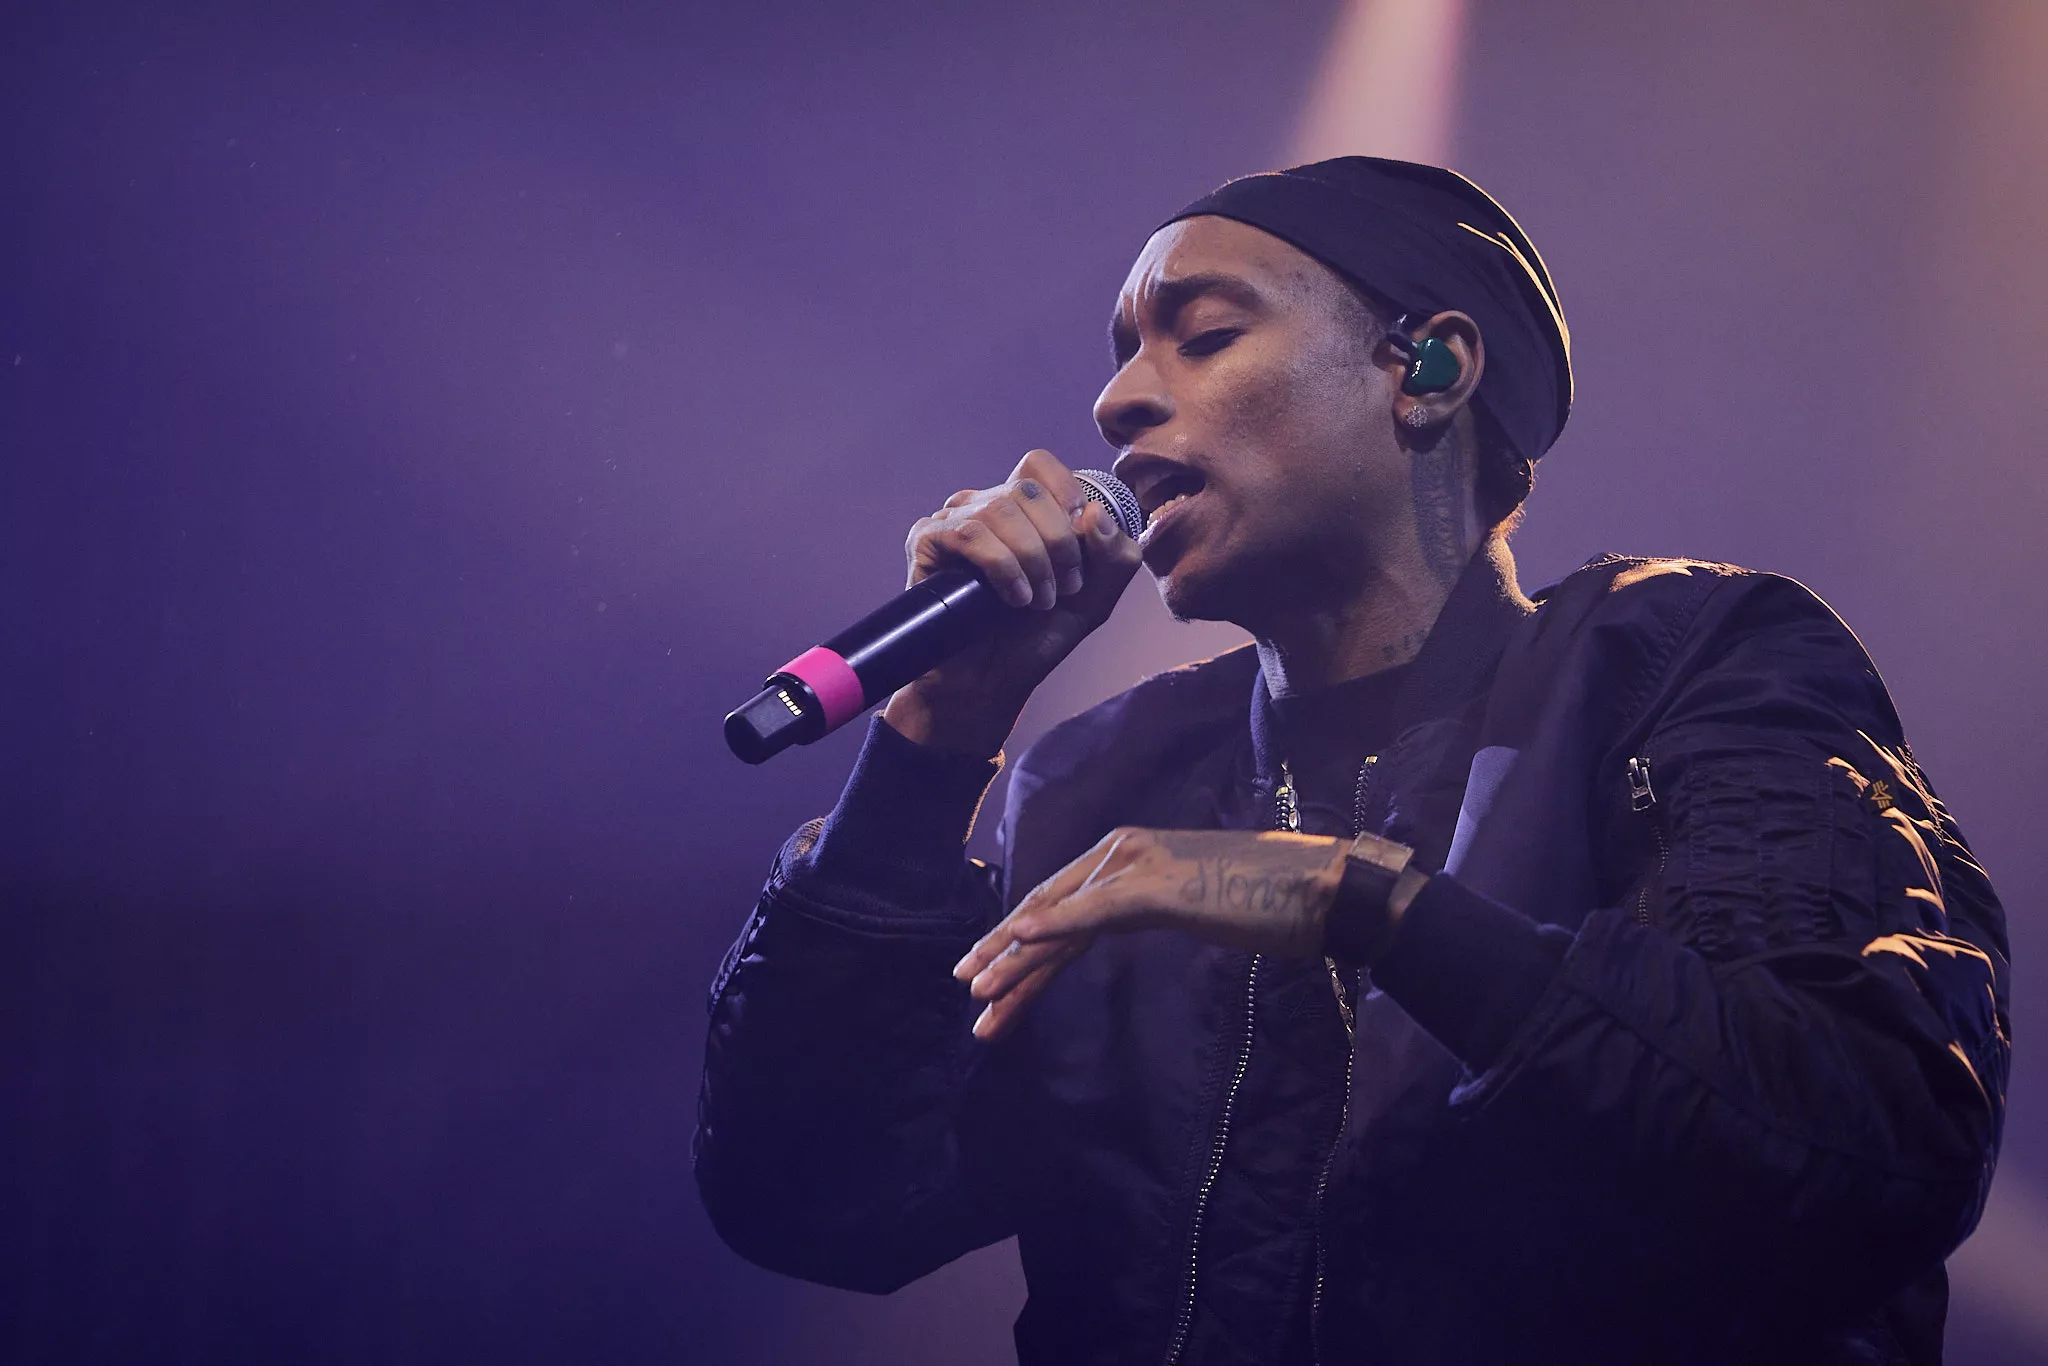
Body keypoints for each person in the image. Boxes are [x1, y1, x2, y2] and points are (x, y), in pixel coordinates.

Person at [693, 157, 2010, 1365]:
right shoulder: (1103, 779)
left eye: (1204, 334)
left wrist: (1359, 901)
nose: (1117, 399)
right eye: (1124, 352)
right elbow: (823, 1202)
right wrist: (934, 740)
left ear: (1428, 368)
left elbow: (1867, 1141)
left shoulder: (1679, 667)